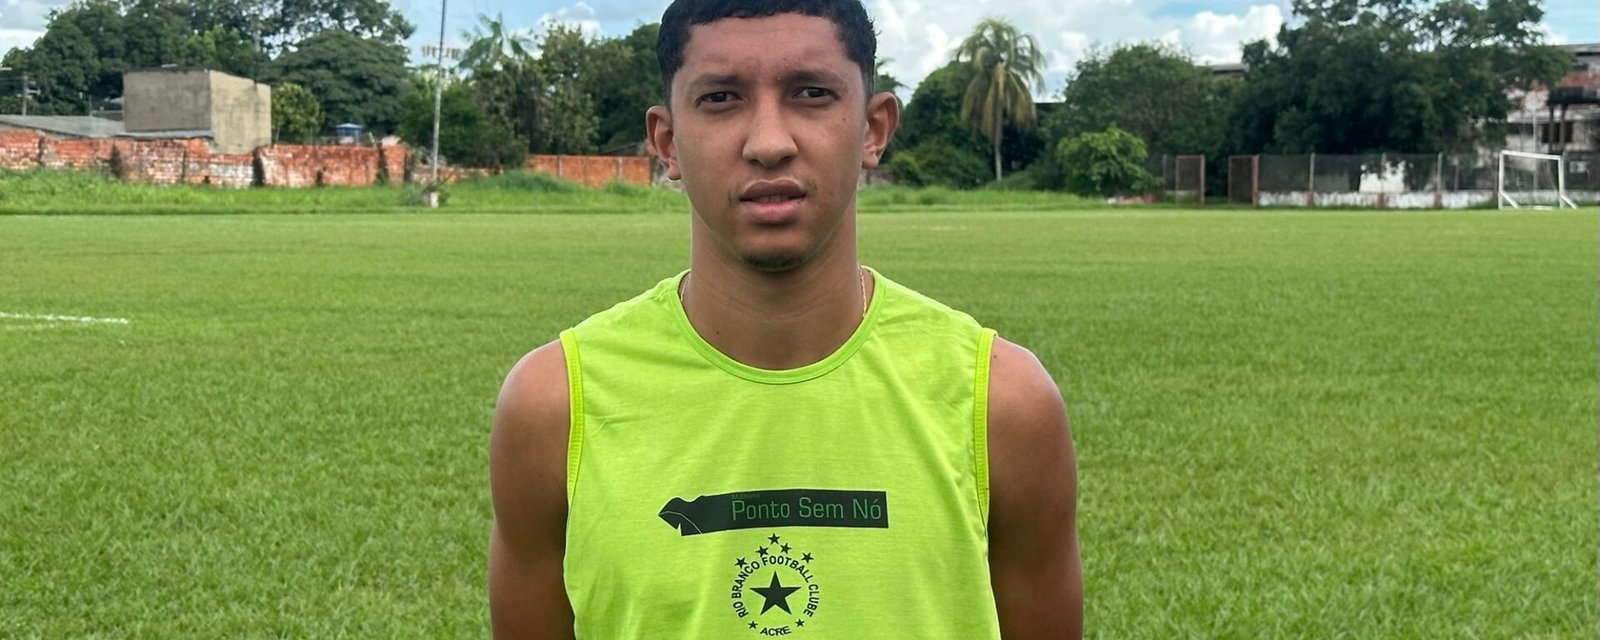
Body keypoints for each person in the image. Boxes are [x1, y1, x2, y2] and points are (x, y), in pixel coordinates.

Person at [488, 0, 1080, 637]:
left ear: (873, 129)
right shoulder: (555, 406)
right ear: (667, 141)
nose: (769, 143)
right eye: (721, 98)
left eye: (811, 93)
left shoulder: (1001, 403)